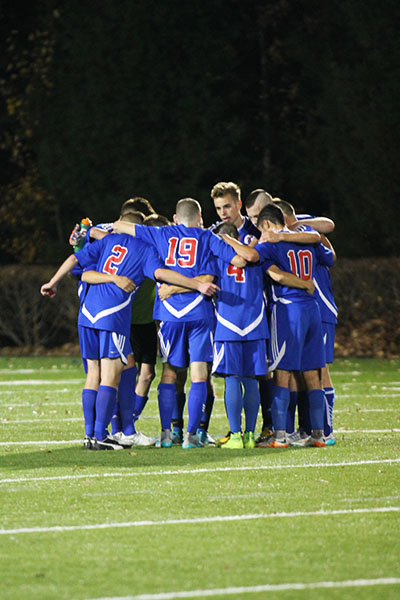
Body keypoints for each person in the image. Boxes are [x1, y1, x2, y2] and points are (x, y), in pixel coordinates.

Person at [41, 212, 219, 450]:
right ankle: (101, 436)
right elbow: (160, 274)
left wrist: (52, 282)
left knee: (94, 374)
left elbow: (77, 263)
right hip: (112, 314)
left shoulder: (109, 240)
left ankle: (92, 435)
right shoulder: (146, 249)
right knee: (110, 375)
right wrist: (197, 284)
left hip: (86, 314)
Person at [113, 197, 253, 449]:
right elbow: (240, 261)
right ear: (200, 219)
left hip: (169, 316)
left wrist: (97, 230)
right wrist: (230, 240)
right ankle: (191, 436)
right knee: (200, 375)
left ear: (176, 219)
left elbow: (123, 227)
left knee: (169, 372)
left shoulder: (163, 233)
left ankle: (167, 435)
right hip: (199, 312)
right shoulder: (208, 238)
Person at [223, 203, 332, 447]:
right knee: (313, 373)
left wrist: (226, 240)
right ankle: (318, 434)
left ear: (268, 225)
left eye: (262, 230)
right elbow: (328, 254)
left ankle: (280, 435)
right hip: (312, 309)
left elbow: (265, 266)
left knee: (282, 372)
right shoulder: (307, 239)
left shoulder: (271, 243)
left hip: (288, 309)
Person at [210, 222, 315, 449]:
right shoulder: (256, 254)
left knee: (232, 379)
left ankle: (236, 436)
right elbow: (276, 275)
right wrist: (305, 284)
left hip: (228, 323)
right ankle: (250, 434)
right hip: (256, 323)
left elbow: (207, 281)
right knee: (251, 380)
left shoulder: (216, 254)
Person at [273, 198, 338, 445]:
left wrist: (297, 226)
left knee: (317, 370)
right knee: (301, 371)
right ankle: (306, 430)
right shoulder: (296, 238)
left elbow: (328, 235)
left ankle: (325, 430)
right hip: (302, 309)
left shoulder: (303, 230)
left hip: (317, 308)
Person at [210, 181, 261, 246]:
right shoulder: (213, 233)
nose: (223, 213)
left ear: (239, 204)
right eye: (218, 208)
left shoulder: (256, 230)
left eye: (227, 206)